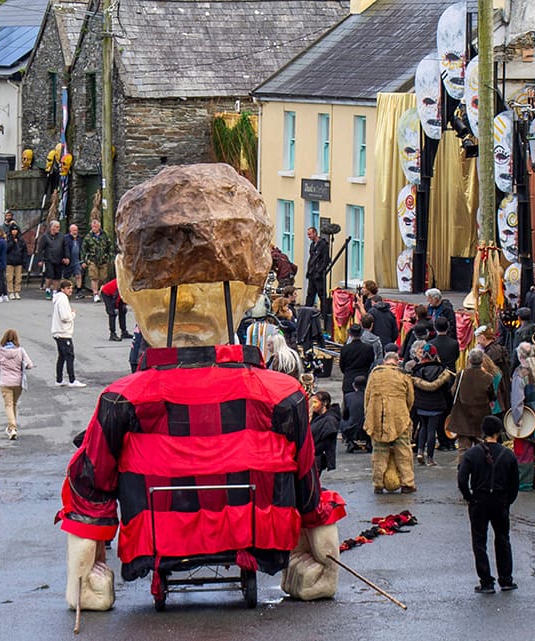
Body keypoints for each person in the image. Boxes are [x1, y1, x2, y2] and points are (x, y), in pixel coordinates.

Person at [58, 164, 343, 610]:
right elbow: (307, 483)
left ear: (127, 283)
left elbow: (92, 485)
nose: (188, 299)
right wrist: (319, 556)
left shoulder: (122, 402)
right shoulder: (283, 397)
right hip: (252, 529)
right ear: (252, 288)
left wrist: (84, 570)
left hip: (157, 534)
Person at [457, 415, 520, 594]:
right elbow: (515, 483)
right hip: (500, 501)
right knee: (502, 539)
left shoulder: (471, 454)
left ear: (483, 432)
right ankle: (506, 579)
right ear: (499, 433)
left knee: (479, 541)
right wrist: (508, 501)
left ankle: (486, 581)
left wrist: (469, 497)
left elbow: (462, 479)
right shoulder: (508, 455)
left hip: (479, 500)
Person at [364, 352, 416, 493]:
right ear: (397, 362)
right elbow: (410, 399)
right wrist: (404, 411)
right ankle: (407, 483)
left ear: (384, 361)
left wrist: (369, 415)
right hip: (399, 417)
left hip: (377, 417)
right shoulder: (403, 375)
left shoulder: (374, 374)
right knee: (404, 450)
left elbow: (367, 397)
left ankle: (378, 484)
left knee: (379, 451)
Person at [511, 342, 535, 490]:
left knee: (524, 452)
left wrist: (516, 419)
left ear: (519, 356)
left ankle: (525, 482)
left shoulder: (520, 374)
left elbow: (517, 400)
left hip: (527, 417)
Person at [411, 343, 454, 466]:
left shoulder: (417, 369)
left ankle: (419, 451)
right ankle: (430, 458)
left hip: (421, 404)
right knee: (431, 430)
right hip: (436, 404)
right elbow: (447, 389)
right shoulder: (442, 370)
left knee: (423, 427)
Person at [446, 350, 496, 455]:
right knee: (482, 449)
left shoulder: (461, 374)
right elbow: (492, 396)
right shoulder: (488, 378)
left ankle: (463, 469)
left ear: (469, 360)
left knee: (463, 450)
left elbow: (454, 392)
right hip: (481, 417)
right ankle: (479, 470)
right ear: (482, 361)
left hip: (462, 416)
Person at [0, 328, 34, 440]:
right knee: (14, 404)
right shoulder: (20, 351)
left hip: (5, 382)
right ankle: (13, 427)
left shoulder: (1, 351)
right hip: (18, 382)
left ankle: (12, 427)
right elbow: (30, 365)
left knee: (8, 405)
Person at [51, 279, 85, 388]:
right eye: (68, 288)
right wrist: (72, 314)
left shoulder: (60, 298)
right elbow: (65, 317)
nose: (70, 290)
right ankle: (72, 380)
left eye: (71, 288)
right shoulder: (63, 300)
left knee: (62, 357)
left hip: (58, 332)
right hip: (63, 333)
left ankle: (59, 379)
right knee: (70, 356)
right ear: (62, 289)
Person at [82, 218, 114, 302]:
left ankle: (102, 291)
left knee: (103, 277)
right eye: (93, 226)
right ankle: (95, 294)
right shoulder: (88, 237)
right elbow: (84, 250)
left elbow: (110, 246)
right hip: (92, 260)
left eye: (96, 226)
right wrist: (84, 261)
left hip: (103, 260)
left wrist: (109, 257)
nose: (94, 228)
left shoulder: (105, 235)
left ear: (99, 227)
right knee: (94, 277)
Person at [310, 391, 340, 476]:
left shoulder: (330, 420)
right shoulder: (316, 416)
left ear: (325, 403)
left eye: (315, 402)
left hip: (317, 456)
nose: (313, 405)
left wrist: (312, 451)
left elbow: (327, 442)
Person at [339, 324, 374, 394]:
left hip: (349, 380)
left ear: (350, 334)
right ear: (361, 334)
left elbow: (342, 366)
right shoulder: (368, 348)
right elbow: (371, 362)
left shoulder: (345, 349)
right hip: (364, 379)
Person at [341, 375, 369, 453]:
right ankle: (369, 443)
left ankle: (350, 442)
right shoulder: (370, 397)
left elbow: (345, 415)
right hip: (367, 428)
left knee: (342, 420)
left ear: (354, 385)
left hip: (351, 429)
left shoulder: (348, 396)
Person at [37, 220, 65, 298]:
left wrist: (66, 257)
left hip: (59, 259)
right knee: (49, 275)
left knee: (57, 276)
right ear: (52, 227)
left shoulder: (61, 236)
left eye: (59, 227)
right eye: (56, 227)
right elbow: (40, 249)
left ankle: (55, 291)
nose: (58, 228)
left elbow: (65, 247)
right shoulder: (45, 236)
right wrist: (40, 259)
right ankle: (48, 289)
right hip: (49, 259)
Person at [305, 226, 330, 307]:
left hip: (319, 274)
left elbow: (325, 260)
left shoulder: (323, 245)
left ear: (315, 233)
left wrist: (320, 271)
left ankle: (324, 314)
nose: (309, 236)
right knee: (310, 294)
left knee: (321, 294)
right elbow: (312, 259)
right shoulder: (312, 245)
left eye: (310, 234)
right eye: (308, 235)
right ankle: (307, 313)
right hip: (312, 273)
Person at [5, 226, 29, 300]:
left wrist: (24, 260)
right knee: (9, 277)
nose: (14, 232)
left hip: (19, 261)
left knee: (18, 278)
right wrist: (12, 242)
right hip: (10, 261)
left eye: (16, 230)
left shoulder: (21, 240)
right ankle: (11, 292)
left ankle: (17, 291)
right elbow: (6, 249)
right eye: (13, 230)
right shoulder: (8, 239)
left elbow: (25, 251)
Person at [62, 224, 85, 298]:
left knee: (78, 275)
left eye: (76, 230)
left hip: (77, 260)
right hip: (68, 259)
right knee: (67, 276)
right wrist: (64, 258)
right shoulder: (66, 238)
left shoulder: (79, 239)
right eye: (74, 230)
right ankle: (65, 291)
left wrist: (83, 260)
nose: (76, 232)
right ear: (70, 231)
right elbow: (63, 249)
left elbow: (82, 250)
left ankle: (79, 290)